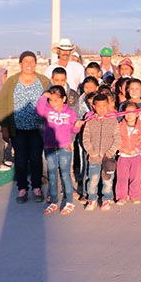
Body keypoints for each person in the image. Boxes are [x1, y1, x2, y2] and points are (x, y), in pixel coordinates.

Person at [0, 51, 50, 203]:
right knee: (20, 160)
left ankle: (36, 187)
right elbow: (2, 104)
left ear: (35, 63)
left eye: (32, 61)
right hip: (18, 129)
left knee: (36, 159)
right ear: (20, 64)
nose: (29, 64)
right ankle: (22, 189)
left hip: (37, 129)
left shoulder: (44, 81)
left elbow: (53, 100)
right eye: (25, 61)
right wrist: (4, 127)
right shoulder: (12, 81)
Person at [36, 86, 83, 215]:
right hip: (49, 147)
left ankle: (69, 202)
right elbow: (39, 110)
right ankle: (54, 201)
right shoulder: (46, 110)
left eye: (56, 100)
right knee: (52, 174)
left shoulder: (70, 112)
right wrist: (44, 97)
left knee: (65, 174)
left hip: (64, 147)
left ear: (64, 99)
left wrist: (77, 126)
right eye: (51, 100)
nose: (53, 103)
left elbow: (73, 130)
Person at [82, 93, 121, 211]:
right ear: (93, 106)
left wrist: (110, 152)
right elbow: (85, 138)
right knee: (93, 180)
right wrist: (91, 151)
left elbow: (117, 138)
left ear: (108, 105)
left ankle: (106, 199)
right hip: (94, 158)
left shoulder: (113, 121)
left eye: (104, 106)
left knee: (107, 180)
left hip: (108, 159)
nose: (102, 109)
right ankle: (92, 199)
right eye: (99, 106)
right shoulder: (90, 120)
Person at [116, 102, 141, 205]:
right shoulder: (120, 126)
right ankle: (122, 196)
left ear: (137, 114)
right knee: (122, 177)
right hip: (123, 155)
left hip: (136, 155)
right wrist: (122, 149)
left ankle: (135, 195)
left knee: (135, 176)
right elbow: (116, 140)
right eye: (127, 112)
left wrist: (137, 149)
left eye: (132, 112)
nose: (129, 115)